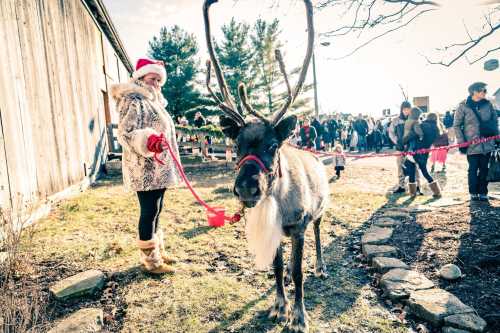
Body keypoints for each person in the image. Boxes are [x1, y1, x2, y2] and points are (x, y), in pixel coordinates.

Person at [113, 58, 180, 274]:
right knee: (149, 210)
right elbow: (125, 133)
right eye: (153, 78)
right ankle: (151, 261)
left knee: (157, 209)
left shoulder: (155, 102)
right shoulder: (133, 99)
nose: (157, 83)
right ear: (141, 77)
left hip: (159, 167)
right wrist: (148, 140)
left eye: (160, 80)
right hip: (144, 168)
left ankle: (156, 249)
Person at [453, 82, 499, 202]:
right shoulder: (463, 106)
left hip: (487, 143)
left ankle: (483, 192)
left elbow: (494, 122)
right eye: (482, 90)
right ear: (474, 91)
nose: (485, 93)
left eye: (485, 91)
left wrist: (497, 139)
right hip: (471, 144)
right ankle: (473, 192)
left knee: (485, 168)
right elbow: (456, 125)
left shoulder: (488, 105)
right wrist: (461, 142)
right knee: (473, 168)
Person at [404, 111, 442, 198]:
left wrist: (403, 141)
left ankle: (412, 194)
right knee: (425, 172)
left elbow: (413, 135)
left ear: (427, 117)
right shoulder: (436, 129)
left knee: (411, 172)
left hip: (414, 151)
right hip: (424, 153)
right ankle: (437, 192)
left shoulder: (422, 125)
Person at [388, 102, 421, 194]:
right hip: (400, 147)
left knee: (415, 166)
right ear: (402, 110)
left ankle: (417, 186)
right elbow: (391, 132)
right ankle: (401, 186)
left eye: (408, 109)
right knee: (400, 166)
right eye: (404, 109)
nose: (406, 111)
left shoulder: (414, 120)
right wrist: (397, 141)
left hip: (412, 148)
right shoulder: (396, 120)